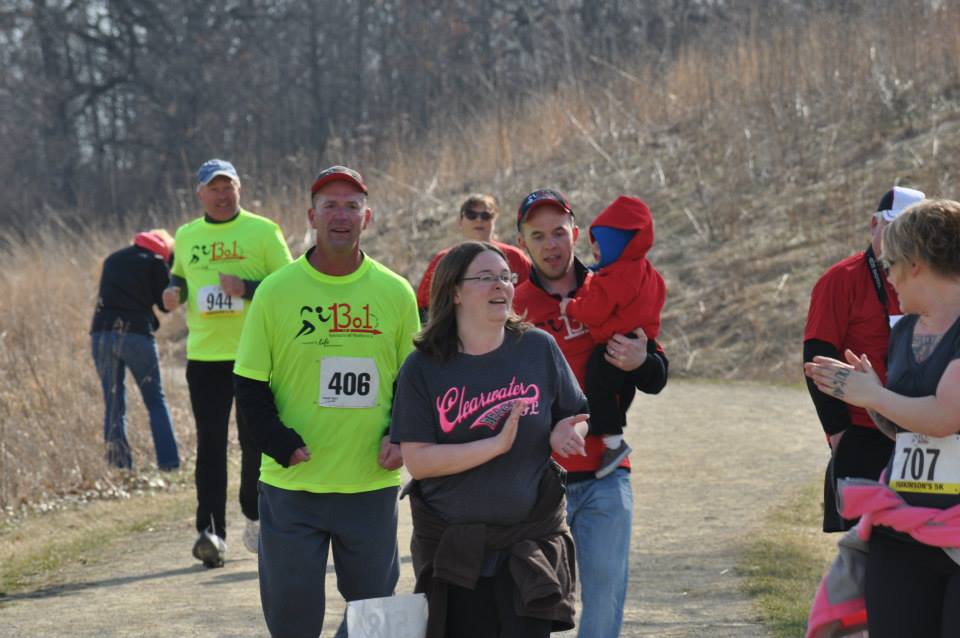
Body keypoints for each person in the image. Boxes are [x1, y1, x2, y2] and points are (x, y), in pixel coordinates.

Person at [233, 165, 419, 638]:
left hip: (369, 484)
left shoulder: (395, 292)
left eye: (352, 206)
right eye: (330, 205)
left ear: (367, 217)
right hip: (293, 486)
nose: (341, 215)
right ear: (311, 216)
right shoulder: (276, 292)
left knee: (373, 620)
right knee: (291, 623)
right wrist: (278, 442)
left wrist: (400, 436)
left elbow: (413, 383)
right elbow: (249, 385)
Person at [391, 241, 589, 638]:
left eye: (506, 277)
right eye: (485, 277)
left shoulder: (537, 348)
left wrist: (565, 431)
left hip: (529, 543)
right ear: (455, 292)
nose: (501, 285)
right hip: (456, 551)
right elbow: (419, 461)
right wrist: (493, 446)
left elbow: (576, 415)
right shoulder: (423, 367)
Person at [513, 189, 669, 638]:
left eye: (559, 233)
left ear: (576, 234)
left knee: (604, 600)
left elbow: (656, 377)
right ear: (522, 243)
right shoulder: (514, 305)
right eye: (538, 235)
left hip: (605, 475)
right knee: (532, 605)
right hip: (536, 481)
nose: (551, 245)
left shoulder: (615, 281)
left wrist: (641, 361)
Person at [804, 198, 960, 637]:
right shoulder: (905, 330)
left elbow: (946, 417)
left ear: (916, 264)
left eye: (891, 264)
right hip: (902, 528)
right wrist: (873, 397)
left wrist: (873, 394)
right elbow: (907, 430)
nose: (887, 276)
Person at [163, 158, 292, 567]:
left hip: (254, 354)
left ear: (239, 189)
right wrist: (174, 292)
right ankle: (211, 532)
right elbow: (180, 277)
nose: (222, 195)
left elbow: (289, 285)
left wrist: (246, 287)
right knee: (210, 443)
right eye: (214, 188)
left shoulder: (263, 230)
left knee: (254, 439)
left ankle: (254, 513)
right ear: (200, 193)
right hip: (205, 355)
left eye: (228, 187)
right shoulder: (187, 235)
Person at [804, 185, 925, 532]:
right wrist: (839, 433)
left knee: (924, 538)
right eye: (894, 228)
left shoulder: (932, 280)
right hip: (863, 431)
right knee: (865, 542)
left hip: (926, 429)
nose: (902, 240)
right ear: (874, 224)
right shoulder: (841, 279)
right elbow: (817, 359)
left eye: (912, 231)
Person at [559, 196, 666, 478]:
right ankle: (612, 435)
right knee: (618, 392)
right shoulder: (643, 270)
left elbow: (594, 311)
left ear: (621, 246)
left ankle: (612, 442)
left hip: (616, 344)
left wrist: (570, 307)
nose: (595, 249)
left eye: (602, 243)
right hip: (639, 338)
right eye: (594, 242)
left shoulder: (615, 275)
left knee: (599, 381)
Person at [91, 229, 179, 471]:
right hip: (136, 335)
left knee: (113, 402)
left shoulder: (112, 259)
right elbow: (165, 305)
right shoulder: (157, 262)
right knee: (155, 401)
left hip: (101, 333)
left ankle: (120, 467)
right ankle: (169, 464)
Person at [416, 193, 531, 320]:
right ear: (460, 221)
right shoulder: (444, 260)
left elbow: (535, 296)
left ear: (495, 220)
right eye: (471, 215)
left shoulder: (515, 257)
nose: (479, 220)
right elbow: (423, 308)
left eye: (486, 215)